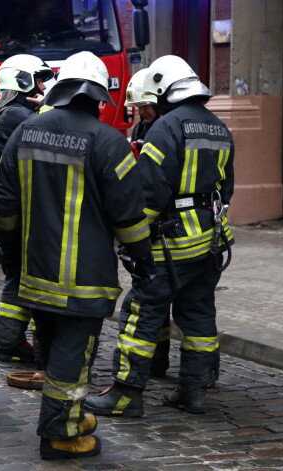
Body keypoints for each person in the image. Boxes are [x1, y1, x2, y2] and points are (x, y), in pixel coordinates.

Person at [0, 51, 153, 459]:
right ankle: (61, 435)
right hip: (84, 280)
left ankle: (70, 417)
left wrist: (10, 256)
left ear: (59, 90)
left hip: (33, 272)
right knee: (71, 360)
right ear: (98, 97)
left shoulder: (24, 132)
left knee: (51, 349)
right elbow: (129, 216)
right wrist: (143, 260)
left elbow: (2, 206)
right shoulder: (109, 141)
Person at [84, 55, 234, 417]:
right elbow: (225, 191)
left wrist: (134, 239)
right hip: (211, 242)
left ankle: (125, 394)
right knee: (198, 315)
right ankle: (193, 392)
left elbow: (149, 192)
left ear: (166, 90)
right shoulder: (220, 128)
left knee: (141, 312)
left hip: (170, 244)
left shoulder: (167, 128)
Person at [0, 54, 53, 367]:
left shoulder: (9, 111)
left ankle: (8, 341)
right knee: (26, 275)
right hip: (23, 208)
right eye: (38, 79)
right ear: (22, 81)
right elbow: (51, 132)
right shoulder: (17, 114)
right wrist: (54, 104)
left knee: (17, 276)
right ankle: (16, 343)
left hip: (13, 205)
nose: (43, 86)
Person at [126, 68, 169, 377]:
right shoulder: (142, 128)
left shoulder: (165, 130)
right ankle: (157, 363)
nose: (141, 111)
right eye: (138, 106)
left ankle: (142, 369)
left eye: (145, 105)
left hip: (164, 229)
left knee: (147, 303)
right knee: (158, 306)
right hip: (149, 226)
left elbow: (156, 186)